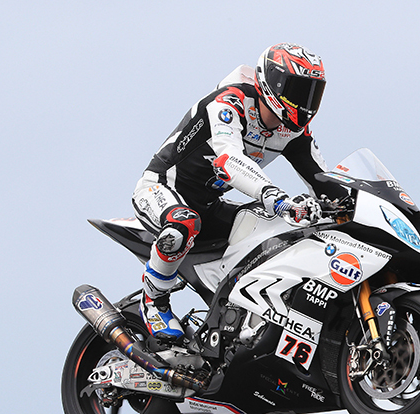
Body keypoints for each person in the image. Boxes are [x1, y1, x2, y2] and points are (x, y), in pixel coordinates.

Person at [131, 43, 345, 343]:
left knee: (280, 232)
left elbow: (324, 181)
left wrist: (357, 205)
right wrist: (275, 196)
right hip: (160, 189)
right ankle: (153, 300)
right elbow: (229, 159)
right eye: (298, 91)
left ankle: (240, 316)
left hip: (210, 205)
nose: (305, 102)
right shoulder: (229, 103)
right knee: (183, 225)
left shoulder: (293, 131)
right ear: (275, 82)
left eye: (312, 93)